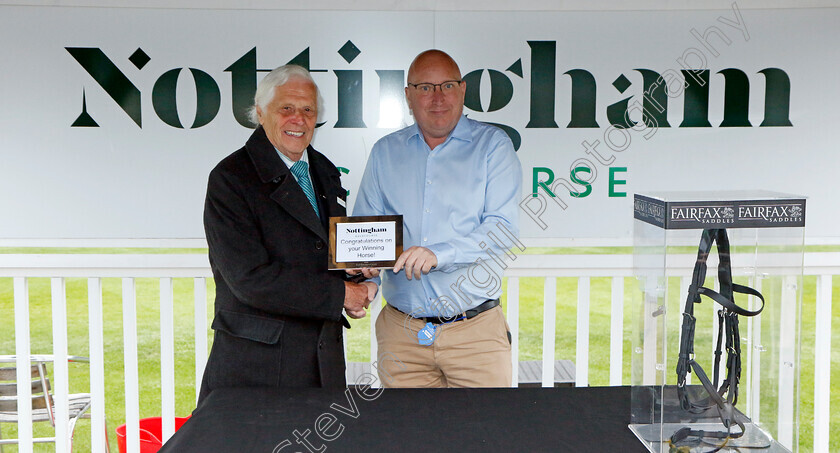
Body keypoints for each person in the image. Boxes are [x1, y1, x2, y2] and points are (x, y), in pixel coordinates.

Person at [198, 65, 376, 404]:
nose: (299, 118)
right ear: (261, 113)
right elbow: (249, 278)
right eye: (287, 108)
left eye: (308, 110)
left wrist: (353, 267)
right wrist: (341, 295)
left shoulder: (323, 169)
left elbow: (321, 247)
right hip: (257, 367)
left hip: (322, 360)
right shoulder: (230, 178)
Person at [353, 50, 522, 387]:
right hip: (402, 337)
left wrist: (439, 254)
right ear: (408, 96)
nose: (438, 98)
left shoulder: (493, 146)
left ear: (462, 90)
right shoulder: (385, 152)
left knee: (487, 437)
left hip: (475, 335)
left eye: (446, 86)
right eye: (425, 88)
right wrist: (365, 279)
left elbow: (503, 230)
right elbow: (367, 229)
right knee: (407, 439)